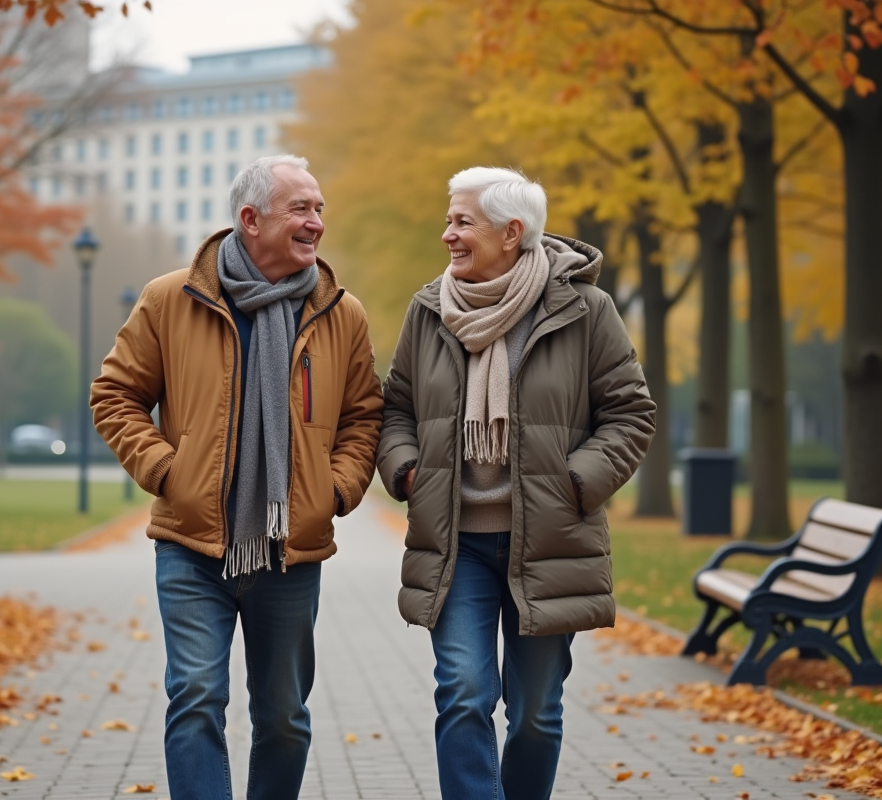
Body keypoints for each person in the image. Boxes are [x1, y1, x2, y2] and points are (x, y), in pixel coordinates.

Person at [91, 154, 383, 800]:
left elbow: (365, 416)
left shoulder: (341, 312)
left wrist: (333, 491)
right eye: (301, 209)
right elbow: (114, 395)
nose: (316, 223)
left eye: (319, 209)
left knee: (283, 718)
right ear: (250, 220)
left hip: (291, 549)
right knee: (195, 697)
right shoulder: (171, 299)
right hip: (192, 544)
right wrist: (169, 471)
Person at [376, 167, 656, 800]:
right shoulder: (429, 309)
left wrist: (574, 484)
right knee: (464, 695)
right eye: (449, 219)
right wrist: (407, 469)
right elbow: (396, 410)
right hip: (458, 547)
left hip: (550, 542)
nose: (447, 233)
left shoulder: (584, 310)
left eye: (462, 221)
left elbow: (631, 413)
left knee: (535, 715)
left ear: (512, 231)